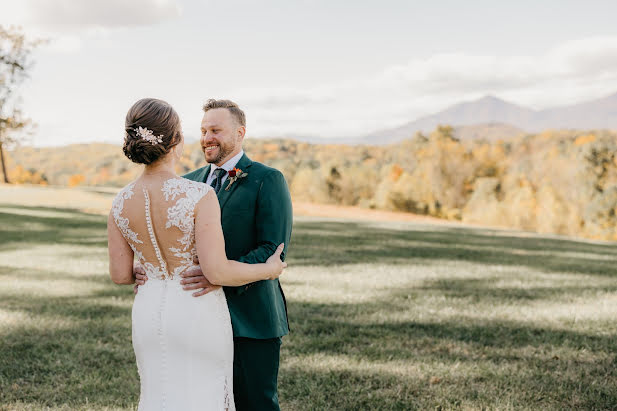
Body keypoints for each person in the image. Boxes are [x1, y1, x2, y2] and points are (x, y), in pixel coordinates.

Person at [107, 97, 287, 411]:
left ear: (240, 132)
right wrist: (269, 270)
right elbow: (215, 269)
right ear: (176, 139)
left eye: (215, 129)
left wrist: (145, 270)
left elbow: (120, 274)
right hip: (197, 311)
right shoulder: (195, 188)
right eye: (202, 130)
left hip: (160, 311)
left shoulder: (121, 200)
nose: (206, 137)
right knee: (203, 396)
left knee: (163, 395)